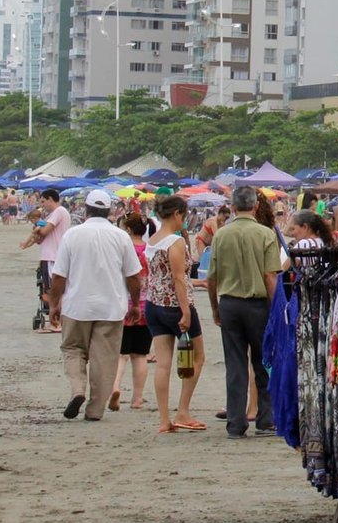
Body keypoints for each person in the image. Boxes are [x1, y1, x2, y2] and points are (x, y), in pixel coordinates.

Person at [50, 189, 142, 421]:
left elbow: (59, 276)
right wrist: (135, 303)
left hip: (76, 305)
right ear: (110, 211)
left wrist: (53, 304)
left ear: (86, 210)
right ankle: (94, 410)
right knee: (105, 359)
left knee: (73, 350)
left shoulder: (72, 235)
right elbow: (133, 276)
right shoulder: (121, 236)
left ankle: (78, 389)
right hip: (111, 307)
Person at [207, 186, 280, 439]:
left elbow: (212, 278)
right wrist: (277, 309)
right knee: (263, 362)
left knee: (235, 364)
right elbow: (270, 276)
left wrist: (216, 308)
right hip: (258, 305)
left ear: (233, 207)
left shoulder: (221, 235)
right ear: (256, 206)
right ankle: (265, 419)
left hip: (229, 303)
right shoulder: (265, 234)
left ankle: (236, 423)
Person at [144, 197, 206, 434]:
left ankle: (163, 419)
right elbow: (178, 278)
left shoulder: (153, 240)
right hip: (175, 305)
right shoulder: (175, 242)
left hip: (154, 304)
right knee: (197, 358)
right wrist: (186, 311)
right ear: (178, 214)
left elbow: (161, 276)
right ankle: (183, 410)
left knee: (163, 364)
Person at [109, 215, 153, 412]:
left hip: (124, 305)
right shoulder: (150, 250)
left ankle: (115, 387)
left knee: (121, 355)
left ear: (127, 229)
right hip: (146, 306)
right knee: (140, 355)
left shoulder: (123, 249)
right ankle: (137, 398)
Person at [21, 188, 71, 333]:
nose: (42, 205)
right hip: (49, 255)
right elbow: (39, 238)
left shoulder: (58, 212)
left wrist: (37, 232)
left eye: (43, 201)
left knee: (54, 291)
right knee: (51, 290)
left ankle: (56, 323)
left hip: (53, 256)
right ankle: (57, 321)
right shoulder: (53, 215)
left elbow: (43, 232)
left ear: (50, 199)